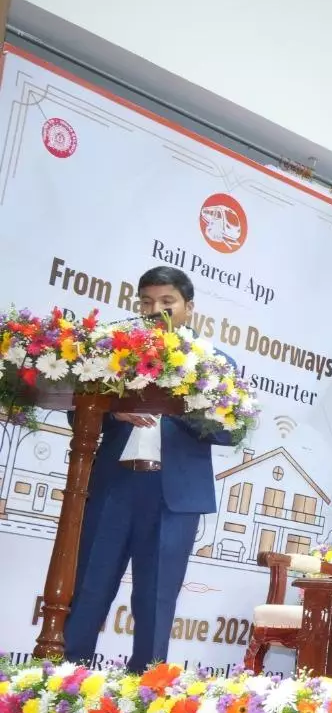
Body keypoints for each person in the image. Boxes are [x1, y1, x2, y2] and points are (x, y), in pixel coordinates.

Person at [62, 266, 238, 673]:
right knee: (89, 587)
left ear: (188, 307)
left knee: (156, 599)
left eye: (166, 302)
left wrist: (178, 407)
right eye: (146, 302)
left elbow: (230, 431)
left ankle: (145, 688)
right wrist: (114, 411)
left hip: (173, 495)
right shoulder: (118, 354)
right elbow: (77, 415)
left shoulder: (212, 363)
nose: (155, 310)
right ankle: (65, 680)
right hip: (115, 486)